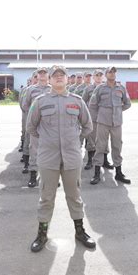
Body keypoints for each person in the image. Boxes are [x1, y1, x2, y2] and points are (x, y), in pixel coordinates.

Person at [27, 65, 95, 252]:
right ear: (49, 79)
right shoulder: (39, 101)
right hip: (48, 158)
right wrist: (47, 142)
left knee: (74, 196)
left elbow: (87, 126)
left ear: (67, 79)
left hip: (72, 157)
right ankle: (42, 234)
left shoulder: (77, 101)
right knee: (46, 197)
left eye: (61, 75)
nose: (58, 77)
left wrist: (76, 140)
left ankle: (80, 231)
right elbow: (31, 127)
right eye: (54, 75)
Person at [89, 66, 131, 185]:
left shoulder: (121, 88)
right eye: (109, 72)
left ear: (116, 74)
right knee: (100, 146)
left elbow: (128, 103)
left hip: (116, 123)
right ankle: (97, 173)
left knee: (117, 146)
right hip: (102, 122)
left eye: (114, 72)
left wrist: (117, 110)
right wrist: (99, 116)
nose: (112, 74)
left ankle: (118, 173)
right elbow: (93, 105)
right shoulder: (100, 88)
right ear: (106, 74)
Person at [21, 67, 51, 187]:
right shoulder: (30, 90)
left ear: (48, 75)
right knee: (34, 150)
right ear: (37, 76)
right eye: (40, 73)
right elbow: (25, 105)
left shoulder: (52, 89)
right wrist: (34, 117)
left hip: (50, 126)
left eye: (45, 73)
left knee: (50, 151)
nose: (42, 75)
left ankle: (49, 176)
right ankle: (33, 174)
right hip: (36, 125)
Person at [81, 69, 107, 170]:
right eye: (97, 75)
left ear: (103, 77)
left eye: (100, 75)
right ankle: (90, 161)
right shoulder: (89, 89)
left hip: (104, 119)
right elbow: (83, 102)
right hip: (92, 118)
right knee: (91, 140)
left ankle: (105, 160)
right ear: (94, 77)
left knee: (104, 140)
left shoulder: (107, 88)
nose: (99, 77)